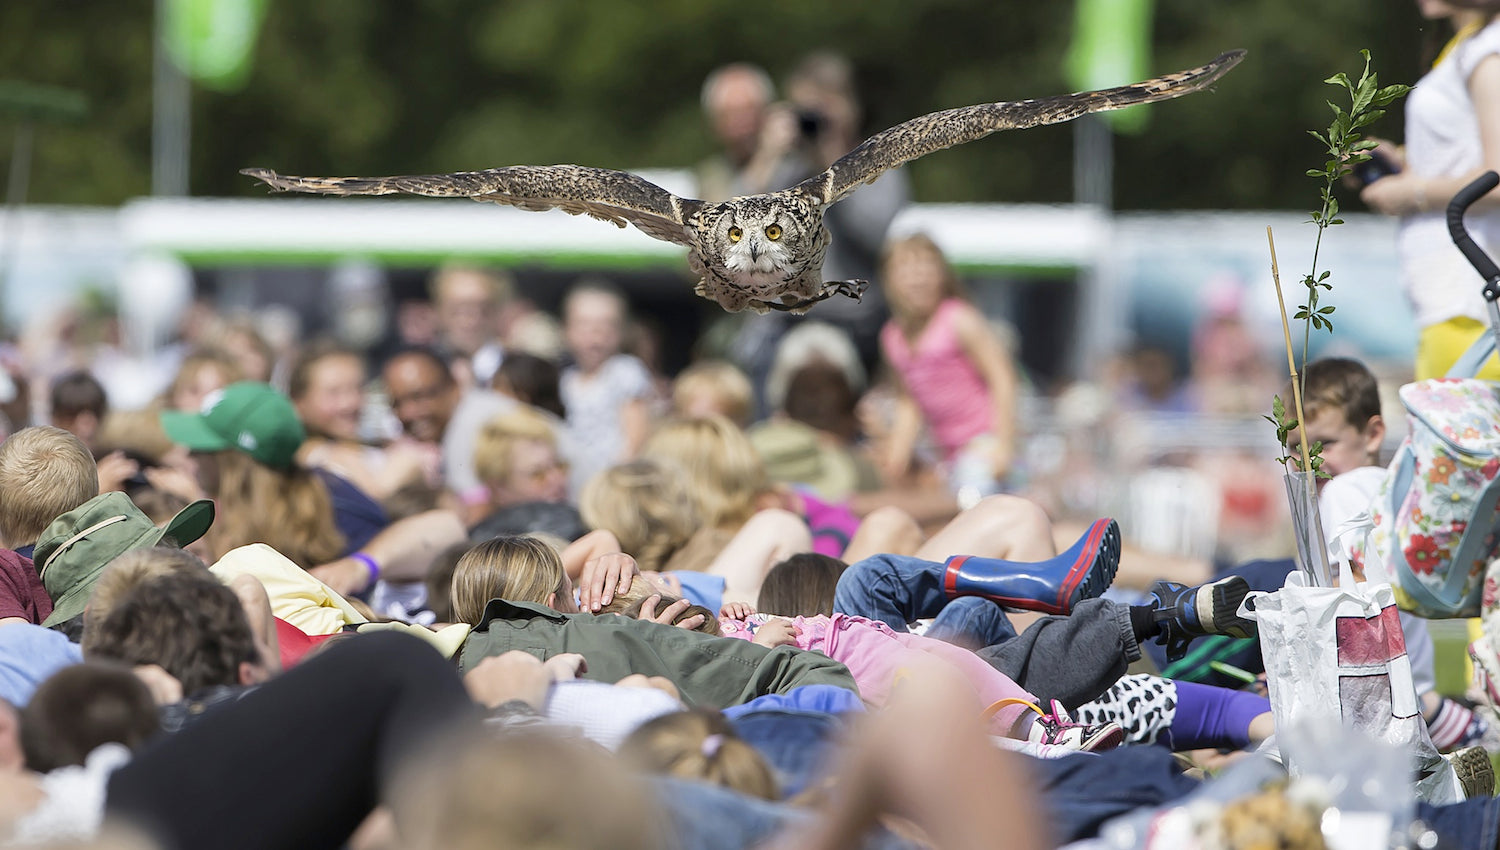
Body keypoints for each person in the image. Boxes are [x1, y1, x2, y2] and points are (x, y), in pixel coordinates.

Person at [1362, 0, 1500, 380]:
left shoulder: (1489, 51)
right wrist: (1407, 162)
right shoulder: (1468, 46)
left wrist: (1410, 193)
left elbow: (1498, 173)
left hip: (1469, 295)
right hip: (1455, 297)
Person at [878, 233, 1020, 508]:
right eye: (906, 270)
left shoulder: (959, 319)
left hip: (984, 441)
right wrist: (898, 450)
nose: (917, 280)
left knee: (972, 505)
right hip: (947, 452)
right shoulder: (892, 337)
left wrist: (1005, 444)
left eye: (926, 270)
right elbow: (909, 400)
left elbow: (1003, 378)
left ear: (942, 276)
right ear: (890, 280)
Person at [288, 343, 435, 503]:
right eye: (334, 393)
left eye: (357, 388)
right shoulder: (308, 460)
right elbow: (373, 500)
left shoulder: (375, 444)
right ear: (298, 403)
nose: (349, 403)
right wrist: (406, 464)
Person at [382, 346, 515, 519]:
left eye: (420, 397)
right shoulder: (478, 409)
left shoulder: (468, 427)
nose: (408, 413)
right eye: (397, 403)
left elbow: (478, 515)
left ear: (453, 387)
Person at [559, 280, 654, 497]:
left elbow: (636, 438)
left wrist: (615, 482)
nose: (595, 334)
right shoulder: (566, 380)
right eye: (584, 325)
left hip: (612, 484)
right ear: (566, 329)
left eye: (607, 325)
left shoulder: (625, 371)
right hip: (576, 485)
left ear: (622, 331)